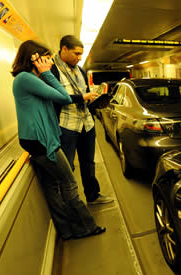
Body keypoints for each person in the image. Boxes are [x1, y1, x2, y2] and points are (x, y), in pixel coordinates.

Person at [11, 40, 106, 240]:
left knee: (52, 186)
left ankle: (66, 229)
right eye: (46, 58)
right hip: (42, 141)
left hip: (37, 139)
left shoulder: (28, 79)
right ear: (34, 59)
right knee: (69, 183)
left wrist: (44, 74)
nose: (51, 63)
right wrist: (46, 73)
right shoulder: (26, 78)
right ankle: (85, 227)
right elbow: (63, 97)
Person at [50, 35, 113, 205]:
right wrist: (82, 97)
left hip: (86, 123)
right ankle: (71, 202)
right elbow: (55, 98)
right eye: (76, 54)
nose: (79, 58)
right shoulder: (52, 70)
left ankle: (93, 195)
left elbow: (83, 94)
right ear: (64, 49)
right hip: (67, 125)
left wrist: (94, 100)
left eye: (80, 55)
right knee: (68, 167)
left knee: (88, 163)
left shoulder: (81, 71)